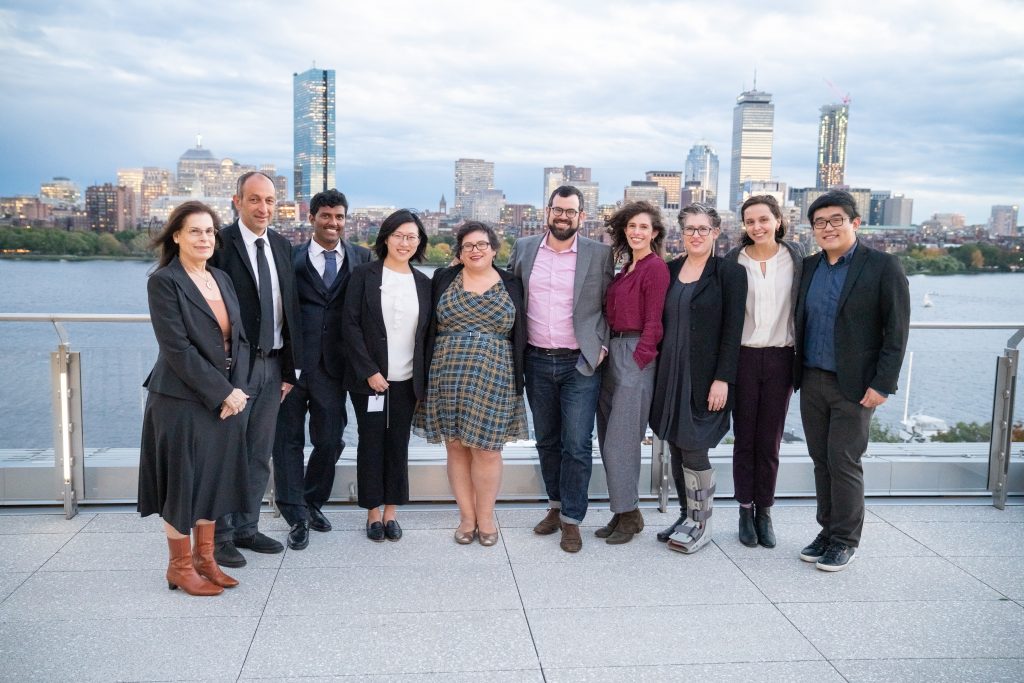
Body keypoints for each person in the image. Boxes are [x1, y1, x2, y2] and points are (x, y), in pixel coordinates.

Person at [138, 201, 251, 596]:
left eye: (209, 231)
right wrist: (223, 392)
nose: (205, 238)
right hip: (179, 400)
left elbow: (238, 339)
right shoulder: (164, 282)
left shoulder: (220, 277)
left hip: (224, 399)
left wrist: (237, 391)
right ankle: (179, 567)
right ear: (177, 236)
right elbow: (178, 349)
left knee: (213, 481)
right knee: (181, 484)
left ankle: (206, 560)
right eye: (195, 231)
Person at [795, 189, 910, 571]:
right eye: (819, 223)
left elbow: (896, 332)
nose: (827, 228)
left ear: (854, 223)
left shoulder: (883, 266)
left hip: (856, 385)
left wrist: (883, 384)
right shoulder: (808, 267)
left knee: (844, 461)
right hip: (811, 379)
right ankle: (826, 531)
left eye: (835, 220)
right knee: (819, 460)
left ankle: (845, 540)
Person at [507, 186, 614, 553]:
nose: (563, 216)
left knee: (577, 445)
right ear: (547, 212)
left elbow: (611, 304)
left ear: (581, 216)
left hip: (580, 363)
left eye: (571, 211)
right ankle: (555, 506)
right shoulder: (524, 249)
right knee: (547, 440)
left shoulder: (599, 255)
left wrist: (601, 345)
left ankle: (573, 519)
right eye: (558, 210)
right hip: (536, 360)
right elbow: (507, 295)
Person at [414, 221, 528, 546]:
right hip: (447, 374)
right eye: (468, 246)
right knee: (456, 446)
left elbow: (522, 332)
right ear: (460, 253)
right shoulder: (443, 278)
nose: (475, 250)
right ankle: (466, 517)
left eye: (481, 244)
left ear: (494, 249)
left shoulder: (513, 284)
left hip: (496, 376)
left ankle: (487, 517)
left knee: (488, 450)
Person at [210, 171, 303, 568]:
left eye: (269, 200)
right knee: (226, 451)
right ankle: (220, 535)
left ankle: (247, 527)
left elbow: (289, 312)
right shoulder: (219, 245)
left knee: (258, 453)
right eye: (254, 200)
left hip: (272, 365)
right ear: (237, 202)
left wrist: (288, 371)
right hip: (235, 367)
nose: (263, 208)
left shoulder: (281, 245)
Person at [273, 189, 370, 551]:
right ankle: (295, 514)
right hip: (291, 367)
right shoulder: (288, 256)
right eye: (326, 216)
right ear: (312, 217)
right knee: (287, 443)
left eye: (339, 216)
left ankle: (313, 500)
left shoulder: (361, 257)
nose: (333, 223)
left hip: (335, 367)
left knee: (330, 440)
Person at [651, 202, 746, 554]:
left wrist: (723, 379)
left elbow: (733, 330)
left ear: (716, 233)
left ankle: (701, 522)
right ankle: (685, 515)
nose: (695, 235)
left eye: (703, 229)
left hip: (705, 377)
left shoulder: (729, 273)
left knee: (694, 448)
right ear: (681, 232)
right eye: (689, 229)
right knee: (675, 445)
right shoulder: (670, 269)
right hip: (669, 374)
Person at [341, 209, 431, 542]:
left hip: (408, 381)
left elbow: (427, 335)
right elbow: (349, 326)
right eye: (398, 235)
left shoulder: (424, 282)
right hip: (370, 382)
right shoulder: (364, 275)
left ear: (419, 242)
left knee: (398, 444)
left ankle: (392, 512)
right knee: (370, 443)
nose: (404, 243)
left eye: (412, 237)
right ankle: (372, 513)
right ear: (386, 238)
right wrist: (369, 371)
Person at [723, 195, 805, 549]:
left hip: (781, 359)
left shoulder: (797, 259)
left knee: (769, 441)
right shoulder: (733, 261)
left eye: (763, 219)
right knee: (744, 439)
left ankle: (765, 511)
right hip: (742, 357)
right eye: (750, 221)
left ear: (778, 220)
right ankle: (744, 509)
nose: (757, 226)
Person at [594, 201, 669, 544]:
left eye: (644, 227)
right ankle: (623, 510)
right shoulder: (626, 268)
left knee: (622, 442)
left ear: (654, 233)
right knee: (610, 439)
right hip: (614, 353)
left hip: (634, 357)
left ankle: (629, 512)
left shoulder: (654, 268)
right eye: (632, 226)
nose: (637, 232)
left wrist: (639, 362)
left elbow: (654, 321)